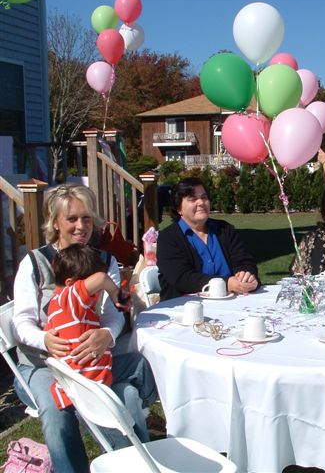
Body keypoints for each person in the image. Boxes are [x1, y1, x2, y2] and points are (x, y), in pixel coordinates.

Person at [13, 184, 157, 472]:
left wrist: (107, 334)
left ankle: (134, 464)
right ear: (55, 223)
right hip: (43, 364)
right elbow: (21, 321)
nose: (81, 226)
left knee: (140, 373)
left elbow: (113, 313)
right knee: (57, 412)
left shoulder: (104, 260)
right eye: (72, 219)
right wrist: (44, 339)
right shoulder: (35, 263)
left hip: (91, 360)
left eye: (86, 218)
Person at [47, 244, 125, 409]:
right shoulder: (70, 298)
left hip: (81, 386)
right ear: (70, 283)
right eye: (95, 291)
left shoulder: (56, 306)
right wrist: (115, 295)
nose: (98, 295)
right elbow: (102, 278)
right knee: (139, 367)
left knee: (137, 365)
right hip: (92, 392)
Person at [156, 177, 259, 301]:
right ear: (179, 208)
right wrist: (225, 283)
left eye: (204, 197)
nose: (201, 202)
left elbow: (244, 261)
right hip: (186, 306)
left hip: (231, 301)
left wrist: (246, 275)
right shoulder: (168, 238)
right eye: (193, 199)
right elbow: (182, 278)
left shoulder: (225, 230)